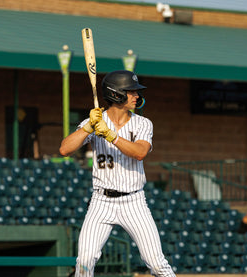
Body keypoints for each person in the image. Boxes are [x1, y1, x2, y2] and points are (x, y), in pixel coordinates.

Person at [59, 70, 176, 277]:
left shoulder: (142, 123)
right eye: (131, 92)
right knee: (84, 260)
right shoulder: (95, 121)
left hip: (133, 201)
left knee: (156, 263)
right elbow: (65, 150)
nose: (136, 96)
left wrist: (111, 135)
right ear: (116, 94)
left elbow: (140, 153)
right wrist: (88, 127)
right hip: (101, 201)